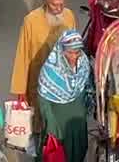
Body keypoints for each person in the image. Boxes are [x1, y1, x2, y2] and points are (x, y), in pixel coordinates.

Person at [12, 0, 76, 103]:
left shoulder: (69, 16)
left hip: (63, 84)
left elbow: (74, 48)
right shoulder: (31, 21)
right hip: (38, 83)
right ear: (44, 1)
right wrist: (20, 90)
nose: (59, 9)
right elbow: (23, 56)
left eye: (61, 4)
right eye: (54, 5)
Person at [37, 30, 92, 162]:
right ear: (61, 50)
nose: (74, 56)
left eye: (77, 52)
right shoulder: (50, 69)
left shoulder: (84, 63)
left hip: (77, 119)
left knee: (78, 150)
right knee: (56, 154)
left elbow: (87, 88)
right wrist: (51, 123)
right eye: (70, 52)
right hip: (57, 121)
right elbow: (43, 100)